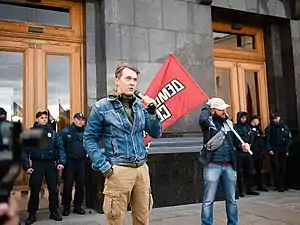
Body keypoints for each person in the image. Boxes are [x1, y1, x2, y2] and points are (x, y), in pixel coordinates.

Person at [83, 62, 162, 225]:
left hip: (141, 170)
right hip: (118, 170)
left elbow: (156, 132)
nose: (132, 82)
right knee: (116, 219)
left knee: (142, 218)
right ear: (117, 80)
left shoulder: (140, 106)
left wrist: (152, 112)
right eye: (128, 78)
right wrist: (104, 166)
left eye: (135, 79)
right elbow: (89, 139)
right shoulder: (102, 107)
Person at [199, 97, 251, 225]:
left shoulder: (228, 123)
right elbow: (202, 118)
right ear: (212, 110)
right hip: (213, 165)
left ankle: (233, 223)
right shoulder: (208, 123)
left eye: (224, 109)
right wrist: (207, 105)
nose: (224, 111)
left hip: (229, 166)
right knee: (208, 200)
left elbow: (233, 142)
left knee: (231, 199)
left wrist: (242, 147)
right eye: (220, 109)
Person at [22, 111, 66, 225]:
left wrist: (61, 162)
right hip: (37, 165)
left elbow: (60, 147)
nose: (44, 119)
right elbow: (24, 152)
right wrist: (27, 166)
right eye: (42, 118)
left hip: (51, 164)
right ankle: (32, 214)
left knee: (53, 189)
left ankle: (54, 211)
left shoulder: (53, 133)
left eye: (46, 117)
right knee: (35, 190)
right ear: (37, 119)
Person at [60, 113, 87, 216]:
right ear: (74, 120)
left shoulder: (86, 132)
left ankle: (77, 206)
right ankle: (66, 207)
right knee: (68, 185)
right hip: (70, 162)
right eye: (78, 119)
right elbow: (61, 147)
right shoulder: (66, 131)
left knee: (80, 185)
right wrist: (61, 161)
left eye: (82, 120)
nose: (80, 121)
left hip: (81, 162)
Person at [234, 111, 259, 197]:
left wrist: (249, 145)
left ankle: (250, 188)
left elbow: (251, 137)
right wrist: (241, 146)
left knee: (249, 171)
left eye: (245, 118)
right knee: (240, 171)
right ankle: (241, 190)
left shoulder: (248, 127)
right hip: (240, 152)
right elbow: (235, 139)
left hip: (248, 151)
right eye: (242, 118)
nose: (244, 119)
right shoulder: (235, 127)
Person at [265, 113, 292, 192]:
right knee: (276, 167)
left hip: (282, 148)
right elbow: (267, 139)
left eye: (276, 118)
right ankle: (278, 185)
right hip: (274, 149)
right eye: (273, 118)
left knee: (283, 167)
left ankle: (284, 184)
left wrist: (287, 150)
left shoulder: (284, 127)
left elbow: (288, 139)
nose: (275, 120)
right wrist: (269, 149)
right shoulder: (269, 128)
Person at [249, 116, 268, 192]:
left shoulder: (258, 129)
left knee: (259, 169)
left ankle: (260, 185)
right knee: (250, 169)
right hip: (251, 151)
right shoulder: (249, 128)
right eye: (257, 120)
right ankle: (250, 187)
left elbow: (261, 138)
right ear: (253, 120)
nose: (258, 122)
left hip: (259, 151)